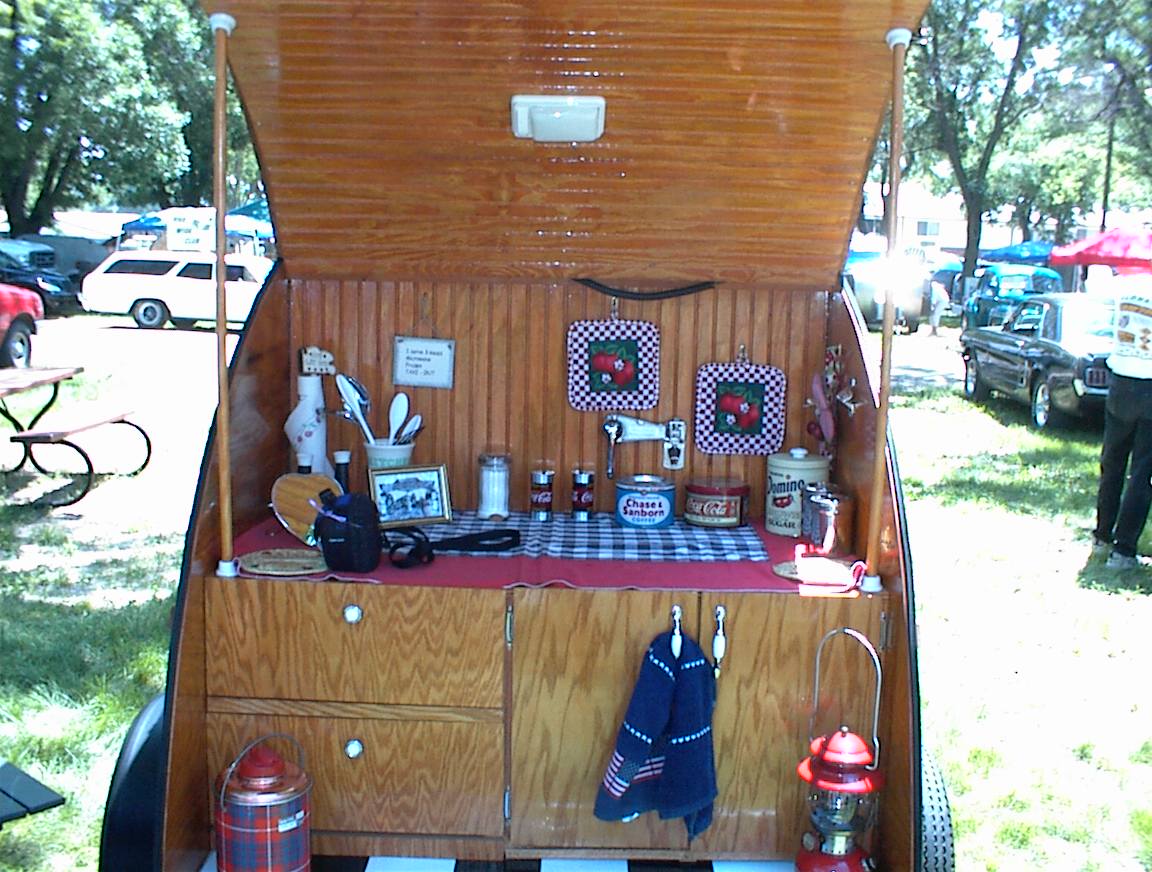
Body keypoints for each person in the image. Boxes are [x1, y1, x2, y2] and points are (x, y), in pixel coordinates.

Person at [1094, 279, 1152, 570]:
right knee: (1142, 473)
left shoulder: (1124, 287)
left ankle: (1102, 535)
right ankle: (1123, 550)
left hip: (1121, 382)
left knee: (1113, 463)